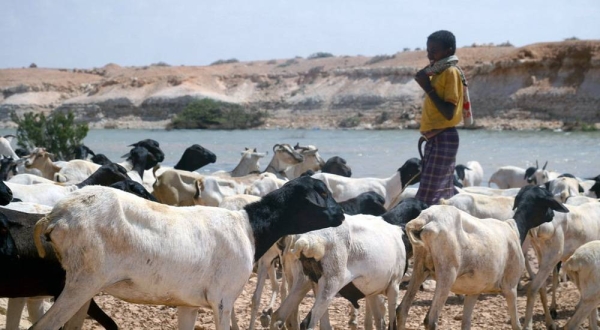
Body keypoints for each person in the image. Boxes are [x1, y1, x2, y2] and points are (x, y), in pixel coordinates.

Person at [414, 30, 471, 205]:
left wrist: (427, 88)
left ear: (448, 51)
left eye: (434, 50)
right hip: (436, 139)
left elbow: (448, 112)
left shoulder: (450, 72)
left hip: (444, 138)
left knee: (429, 196)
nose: (429, 54)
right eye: (428, 50)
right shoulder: (438, 72)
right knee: (440, 194)